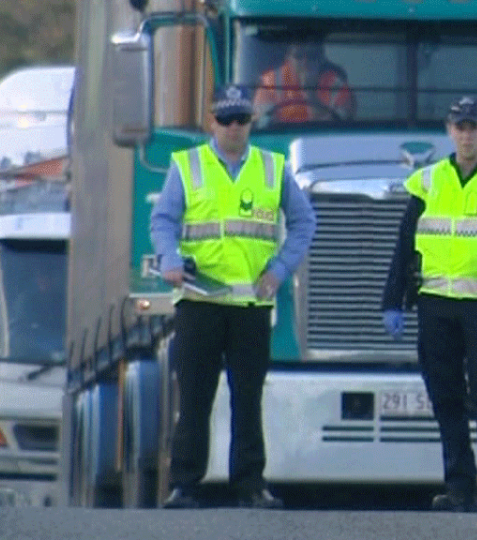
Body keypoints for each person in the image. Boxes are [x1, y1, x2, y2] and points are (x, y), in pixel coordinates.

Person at [150, 84, 317, 509]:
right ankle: (185, 484)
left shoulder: (271, 167)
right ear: (212, 122)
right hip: (199, 300)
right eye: (226, 119)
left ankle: (249, 485)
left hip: (250, 305)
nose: (234, 127)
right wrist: (170, 258)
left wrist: (280, 270)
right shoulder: (188, 165)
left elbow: (303, 222)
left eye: (242, 119)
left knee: (248, 398)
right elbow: (163, 219)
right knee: (194, 398)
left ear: (251, 123)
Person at [381, 96, 477, 514]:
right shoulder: (428, 181)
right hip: (435, 304)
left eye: (474, 126)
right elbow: (403, 244)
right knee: (445, 396)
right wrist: (392, 299)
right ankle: (459, 487)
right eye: (460, 126)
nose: (467, 134)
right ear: (449, 131)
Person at [252, 39, 356, 124]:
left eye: (312, 56)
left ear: (321, 59)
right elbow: (262, 123)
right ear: (288, 58)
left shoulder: (336, 84)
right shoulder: (270, 81)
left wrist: (310, 93)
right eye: (298, 56)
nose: (305, 62)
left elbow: (338, 125)